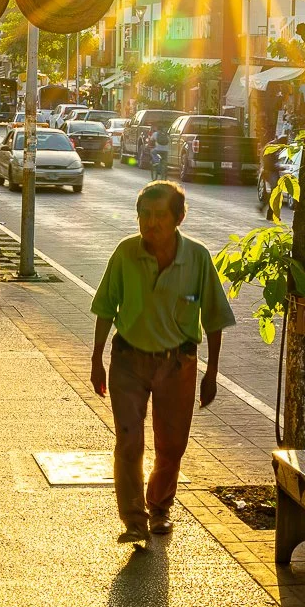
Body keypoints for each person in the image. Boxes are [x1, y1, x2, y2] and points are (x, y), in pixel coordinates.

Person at [90, 181, 234, 544]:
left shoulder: (197, 258)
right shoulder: (125, 253)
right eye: (145, 215)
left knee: (171, 446)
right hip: (128, 360)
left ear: (178, 219)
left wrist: (211, 372)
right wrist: (96, 357)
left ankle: (159, 508)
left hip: (177, 365)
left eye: (159, 216)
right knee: (128, 440)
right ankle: (134, 520)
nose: (150, 224)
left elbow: (215, 318)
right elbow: (106, 307)